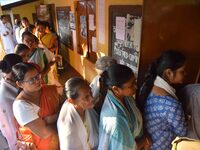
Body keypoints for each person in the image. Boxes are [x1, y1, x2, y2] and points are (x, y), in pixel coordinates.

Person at [139, 50, 187, 150]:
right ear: (168, 72)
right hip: (162, 145)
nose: (185, 74)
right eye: (182, 71)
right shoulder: (171, 104)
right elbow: (183, 132)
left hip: (148, 141)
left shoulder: (147, 84)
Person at [12, 62, 62, 149]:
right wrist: (64, 121)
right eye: (31, 80)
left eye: (37, 76)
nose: (37, 81)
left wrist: (52, 118)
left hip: (61, 141)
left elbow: (65, 107)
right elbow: (44, 133)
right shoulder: (21, 106)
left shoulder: (49, 90)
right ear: (20, 84)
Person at [98, 64, 143, 150]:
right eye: (131, 85)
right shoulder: (116, 120)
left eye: (135, 81)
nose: (136, 87)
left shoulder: (125, 97)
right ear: (116, 89)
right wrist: (145, 141)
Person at [57, 77, 99, 150]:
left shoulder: (86, 109)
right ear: (72, 101)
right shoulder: (68, 127)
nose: (92, 98)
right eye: (86, 97)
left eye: (90, 92)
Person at [0, 54, 23, 150]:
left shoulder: (11, 82)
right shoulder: (4, 94)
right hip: (17, 134)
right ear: (15, 68)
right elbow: (10, 123)